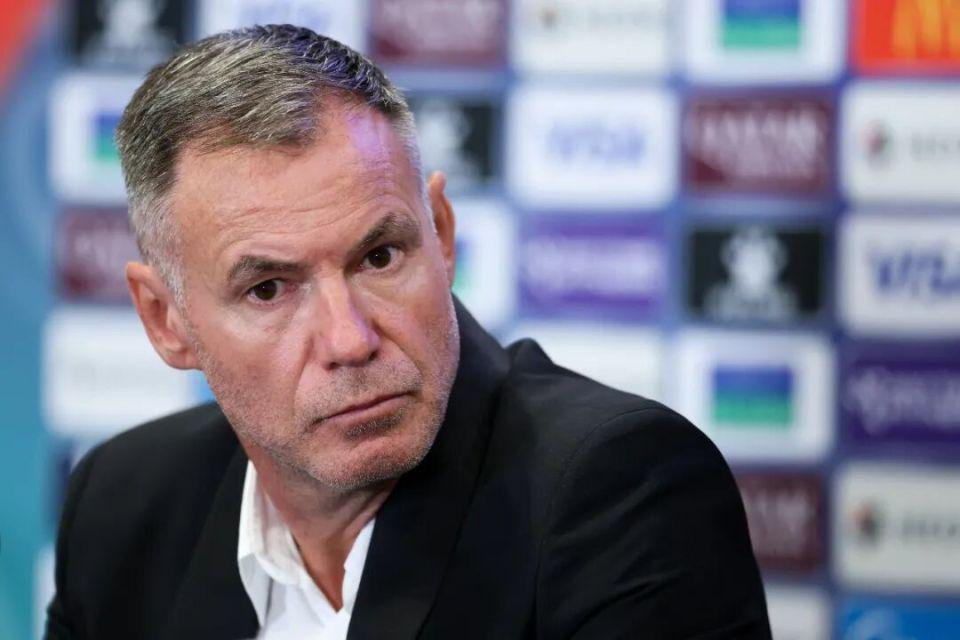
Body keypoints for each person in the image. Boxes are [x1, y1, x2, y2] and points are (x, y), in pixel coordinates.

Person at [45, 25, 771, 640]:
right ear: (165, 320)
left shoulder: (617, 492)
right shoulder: (124, 506)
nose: (350, 340)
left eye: (380, 257)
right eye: (268, 289)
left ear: (442, 235)